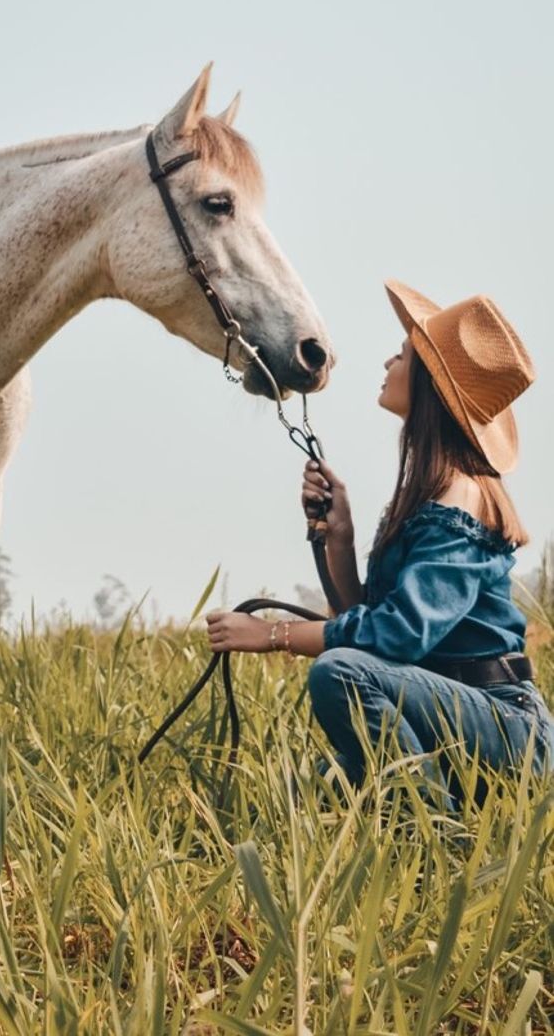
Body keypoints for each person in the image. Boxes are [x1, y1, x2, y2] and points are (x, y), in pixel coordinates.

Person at [206, 280, 554, 799]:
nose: (388, 363)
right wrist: (339, 538)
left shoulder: (461, 495)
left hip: (506, 729)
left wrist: (271, 636)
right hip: (454, 711)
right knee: (317, 794)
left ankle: (438, 835)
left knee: (338, 673)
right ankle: (431, 809)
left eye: (403, 355)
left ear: (432, 385)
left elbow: (397, 636)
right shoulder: (430, 492)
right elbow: (371, 630)